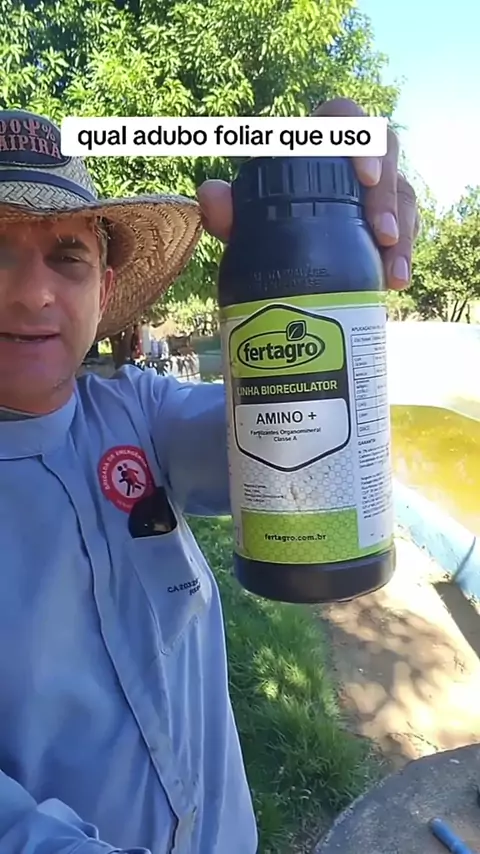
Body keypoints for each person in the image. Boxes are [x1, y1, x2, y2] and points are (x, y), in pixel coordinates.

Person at [0, 101, 417, 854]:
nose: (34, 293)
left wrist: (315, 214)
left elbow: (297, 440)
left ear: (104, 288)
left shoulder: (139, 413)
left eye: (68, 256)